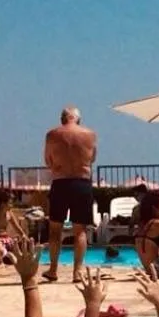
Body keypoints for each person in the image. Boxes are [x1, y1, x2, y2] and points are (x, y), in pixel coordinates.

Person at [43, 107, 98, 282]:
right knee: (80, 231)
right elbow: (92, 158)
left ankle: (53, 270)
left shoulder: (52, 134)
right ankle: (77, 271)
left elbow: (48, 160)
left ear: (62, 118)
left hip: (60, 182)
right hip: (82, 183)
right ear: (78, 119)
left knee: (55, 229)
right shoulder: (90, 135)